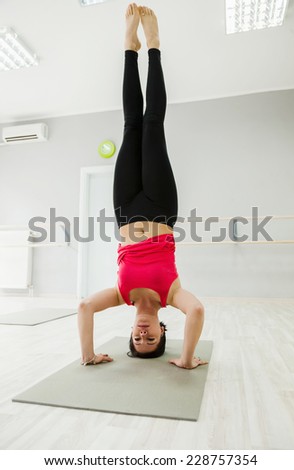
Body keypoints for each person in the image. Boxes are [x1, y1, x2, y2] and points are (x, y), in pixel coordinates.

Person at [78, 4, 208, 369]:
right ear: (164, 330)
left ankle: (127, 49)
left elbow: (85, 306)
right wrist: (186, 360)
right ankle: (153, 46)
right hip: (160, 206)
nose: (143, 334)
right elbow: (196, 310)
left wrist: (88, 355)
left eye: (137, 339)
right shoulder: (173, 293)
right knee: (153, 124)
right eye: (152, 339)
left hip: (124, 210)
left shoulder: (120, 296)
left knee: (130, 125)